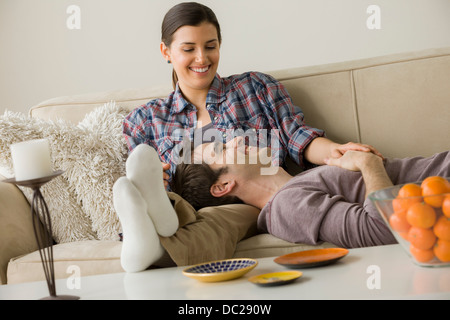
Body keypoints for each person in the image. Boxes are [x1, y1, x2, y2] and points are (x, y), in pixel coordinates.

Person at [122, 2, 382, 189]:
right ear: (166, 52)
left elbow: (297, 137)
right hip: (190, 213)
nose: (201, 58)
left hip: (256, 199)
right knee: (186, 217)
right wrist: (155, 183)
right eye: (189, 49)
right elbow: (148, 182)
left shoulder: (256, 87)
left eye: (210, 46)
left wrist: (337, 151)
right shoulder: (144, 121)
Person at [171, 139, 450, 248]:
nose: (236, 139)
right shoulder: (286, 207)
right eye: (221, 149)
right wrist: (368, 163)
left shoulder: (298, 184)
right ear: (222, 186)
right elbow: (382, 230)